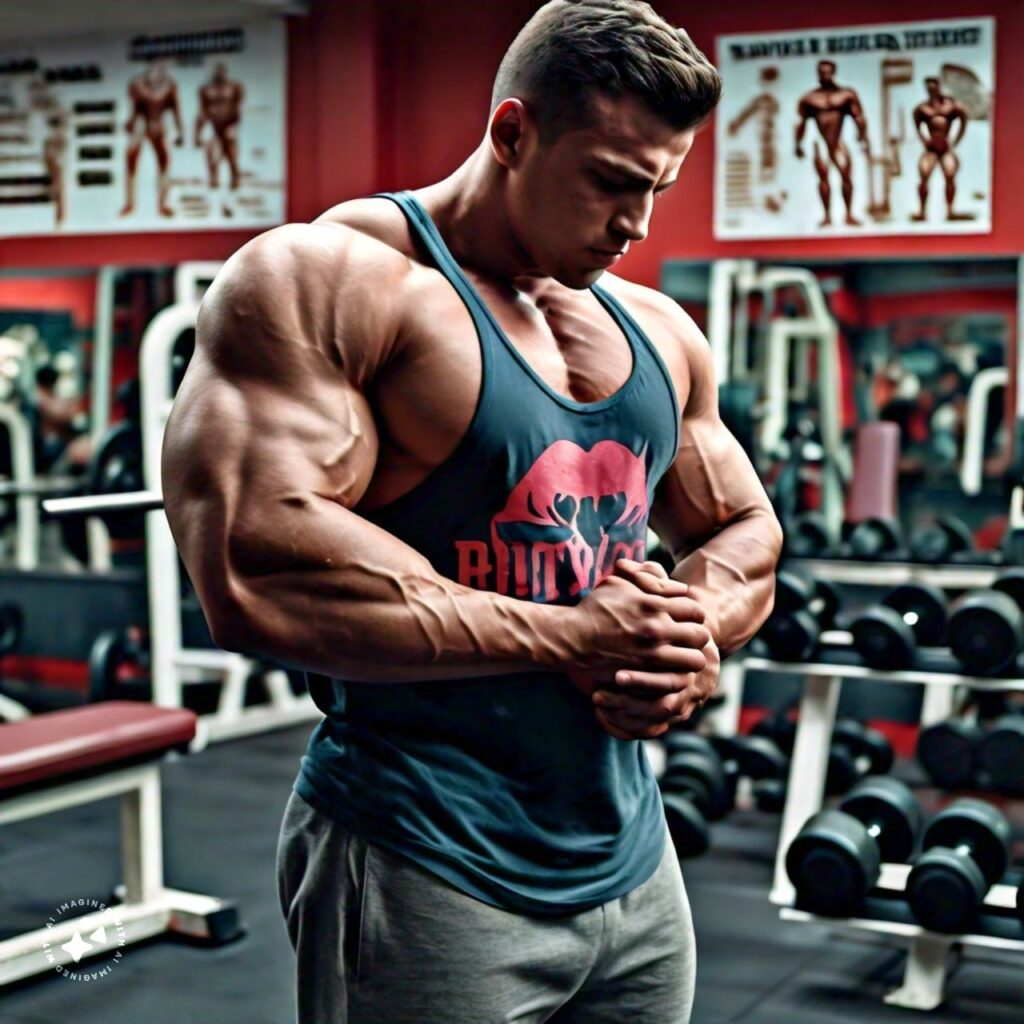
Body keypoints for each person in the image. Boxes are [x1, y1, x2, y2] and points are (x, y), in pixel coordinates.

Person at [163, 2, 781, 1021]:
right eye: (611, 182)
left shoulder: (658, 329)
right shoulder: (337, 281)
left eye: (657, 190)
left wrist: (685, 632)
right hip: (425, 851)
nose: (635, 224)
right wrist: (574, 636)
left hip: (630, 855)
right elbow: (253, 561)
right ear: (511, 133)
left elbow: (743, 534)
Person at [795, 60, 869, 227]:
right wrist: (797, 144)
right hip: (821, 143)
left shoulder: (846, 94)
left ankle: (848, 214)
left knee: (846, 177)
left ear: (833, 72)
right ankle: (827, 216)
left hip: (838, 141)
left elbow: (859, 118)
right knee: (823, 178)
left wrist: (863, 138)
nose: (824, 75)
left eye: (828, 72)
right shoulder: (810, 98)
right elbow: (800, 122)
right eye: (821, 72)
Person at [120, 60, 183, 218]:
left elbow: (176, 110)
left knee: (164, 163)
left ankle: (163, 203)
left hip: (158, 124)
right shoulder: (137, 85)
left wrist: (180, 131)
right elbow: (133, 108)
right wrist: (131, 122)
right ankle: (129, 202)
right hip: (141, 123)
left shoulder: (169, 86)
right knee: (131, 160)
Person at [912, 76, 970, 222]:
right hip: (931, 148)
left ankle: (950, 210)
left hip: (945, 147)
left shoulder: (949, 105)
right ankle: (922, 211)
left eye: (934, 88)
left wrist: (956, 140)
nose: (931, 91)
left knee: (950, 175)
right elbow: (917, 124)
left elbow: (963, 117)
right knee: (924, 176)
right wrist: (924, 140)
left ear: (938, 88)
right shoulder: (923, 109)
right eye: (929, 89)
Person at [194, 62, 245, 217]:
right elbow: (202, 112)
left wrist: (233, 127)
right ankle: (216, 205)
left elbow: (238, 109)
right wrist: (197, 133)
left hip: (229, 129)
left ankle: (229, 203)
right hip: (214, 129)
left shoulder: (235, 88)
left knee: (233, 166)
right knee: (214, 165)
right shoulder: (206, 90)